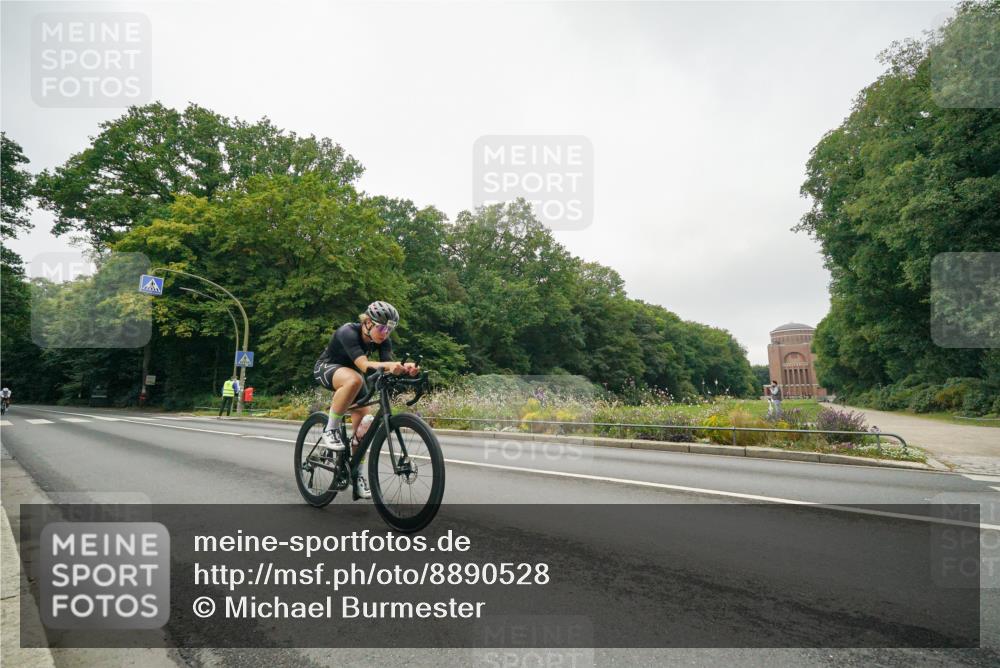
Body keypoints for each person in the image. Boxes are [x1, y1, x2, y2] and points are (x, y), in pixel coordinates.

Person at [313, 301, 419, 500]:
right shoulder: (348, 332)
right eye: (381, 327)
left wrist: (405, 369)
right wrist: (391, 365)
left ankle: (356, 474)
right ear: (367, 323)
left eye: (389, 329)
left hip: (353, 377)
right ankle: (331, 428)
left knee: (365, 425)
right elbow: (365, 366)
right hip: (327, 368)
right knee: (353, 379)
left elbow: (385, 367)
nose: (385, 332)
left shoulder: (383, 340)